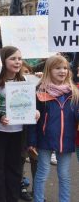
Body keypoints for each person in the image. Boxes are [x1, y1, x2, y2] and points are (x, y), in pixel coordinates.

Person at [0, 46, 37, 202]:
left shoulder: (25, 81)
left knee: (15, 169)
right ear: (3, 60)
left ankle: (13, 198)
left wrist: (36, 112)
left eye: (19, 59)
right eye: (13, 58)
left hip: (18, 132)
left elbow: (31, 104)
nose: (17, 62)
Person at [28, 55, 79, 202]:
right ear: (49, 70)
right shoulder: (40, 92)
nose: (62, 71)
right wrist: (32, 141)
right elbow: (32, 121)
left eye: (65, 68)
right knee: (42, 172)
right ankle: (38, 199)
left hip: (66, 139)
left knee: (64, 175)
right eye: (57, 68)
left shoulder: (74, 92)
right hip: (45, 139)